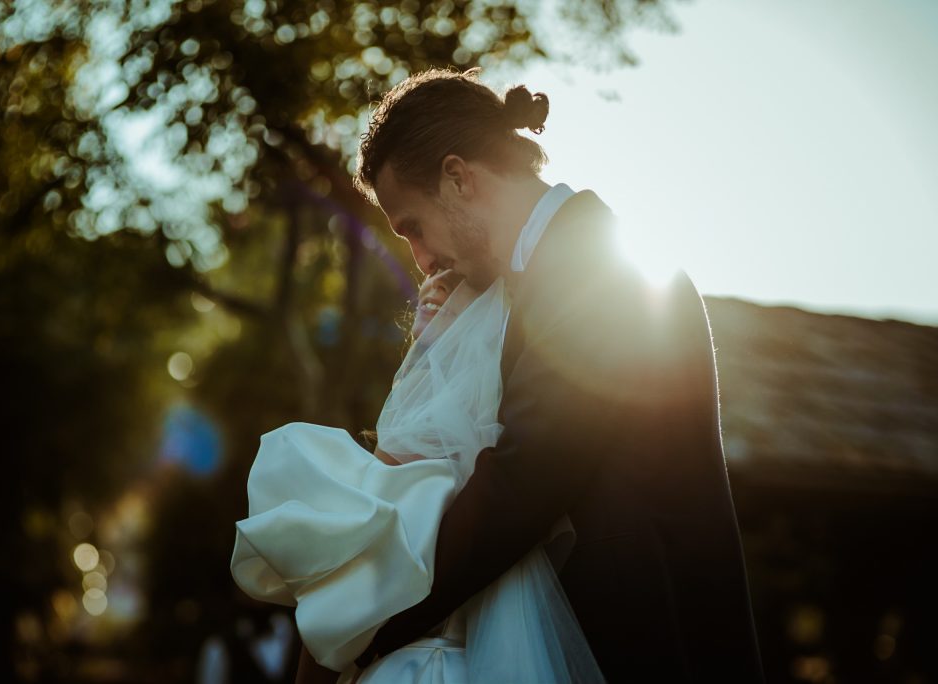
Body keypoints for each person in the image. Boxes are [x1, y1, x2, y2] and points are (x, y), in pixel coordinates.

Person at [350, 68, 766, 682]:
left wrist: (373, 617)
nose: (421, 257)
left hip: (653, 653)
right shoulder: (533, 284)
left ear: (458, 178)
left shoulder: (596, 268)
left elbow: (527, 477)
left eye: (412, 226)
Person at [231, 264, 602, 682]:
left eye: (462, 276)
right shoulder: (505, 427)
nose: (435, 279)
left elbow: (346, 601)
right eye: (432, 270)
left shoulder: (429, 430)